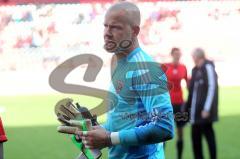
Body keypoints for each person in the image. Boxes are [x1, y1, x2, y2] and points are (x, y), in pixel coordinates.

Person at [76, 1, 174, 159]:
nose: (107, 33)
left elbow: (164, 127)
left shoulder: (145, 69)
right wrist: (95, 132)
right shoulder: (117, 62)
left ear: (135, 31)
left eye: (115, 27)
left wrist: (109, 138)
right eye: (105, 26)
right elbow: (123, 123)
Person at [185, 48, 218, 159]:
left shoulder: (208, 67)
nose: (192, 59)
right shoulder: (195, 70)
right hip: (195, 114)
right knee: (196, 141)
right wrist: (187, 109)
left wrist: (207, 108)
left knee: (209, 138)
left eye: (193, 56)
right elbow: (191, 92)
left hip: (204, 113)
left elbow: (212, 87)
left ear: (198, 56)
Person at [165, 47, 188, 159]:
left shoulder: (183, 67)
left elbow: (188, 84)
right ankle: (161, 155)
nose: (177, 56)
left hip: (180, 103)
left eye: (179, 54)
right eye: (175, 54)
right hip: (167, 104)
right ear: (172, 54)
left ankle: (180, 156)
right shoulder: (165, 66)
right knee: (164, 130)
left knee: (180, 131)